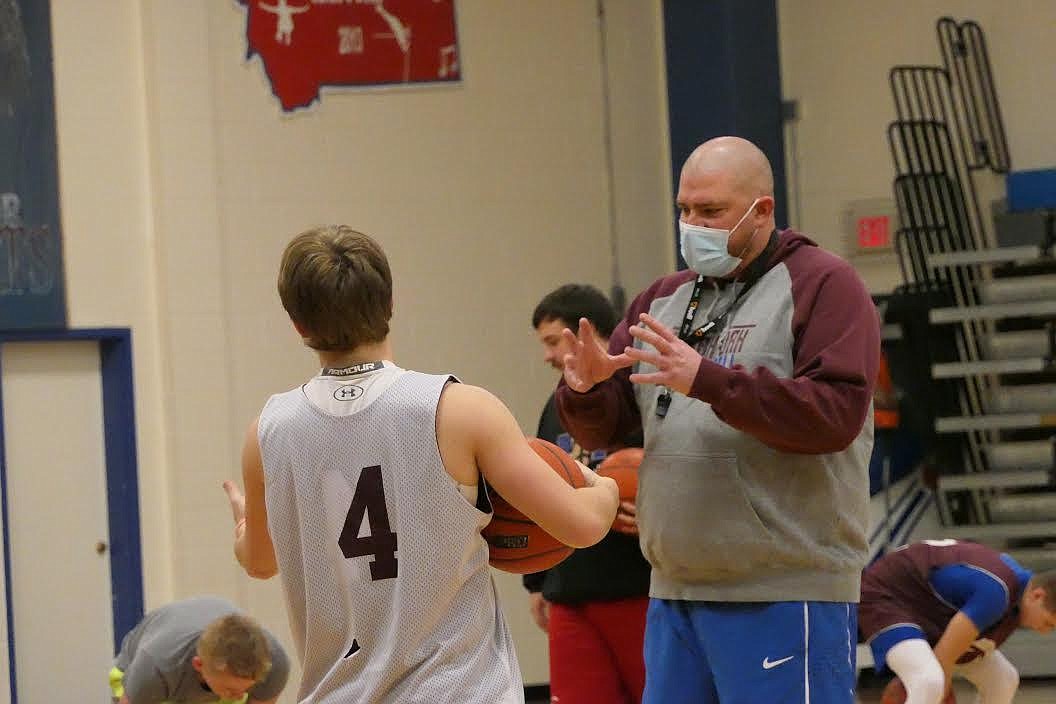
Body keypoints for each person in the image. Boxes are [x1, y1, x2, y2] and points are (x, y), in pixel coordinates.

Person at [222, 226, 619, 703]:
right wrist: (604, 486)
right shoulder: (461, 409)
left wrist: (245, 526)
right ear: (390, 303)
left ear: (298, 325)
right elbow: (582, 526)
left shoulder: (267, 431)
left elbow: (260, 562)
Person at [555, 136, 880, 703]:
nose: (692, 224)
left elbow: (834, 417)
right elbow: (607, 429)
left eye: (711, 211)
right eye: (684, 209)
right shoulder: (663, 299)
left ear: (762, 211)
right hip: (675, 592)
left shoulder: (824, 285)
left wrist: (705, 379)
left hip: (785, 591)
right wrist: (584, 392)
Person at [525, 283, 651, 704]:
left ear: (586, 332)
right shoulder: (557, 403)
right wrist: (538, 580)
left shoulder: (639, 392)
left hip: (638, 586)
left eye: (551, 341)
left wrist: (659, 505)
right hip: (571, 592)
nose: (545, 356)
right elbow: (540, 488)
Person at [860, 539, 1056, 704]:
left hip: (931, 610)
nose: (1046, 631)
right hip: (890, 594)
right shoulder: (998, 592)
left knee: (1004, 679)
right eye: (1049, 623)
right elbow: (944, 657)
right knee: (929, 680)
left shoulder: (1018, 596)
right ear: (1037, 596)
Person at [109, 595, 289, 704]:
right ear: (199, 664)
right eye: (230, 690)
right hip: (143, 679)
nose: (238, 696)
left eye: (246, 689)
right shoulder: (155, 667)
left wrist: (232, 690)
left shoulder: (275, 665)